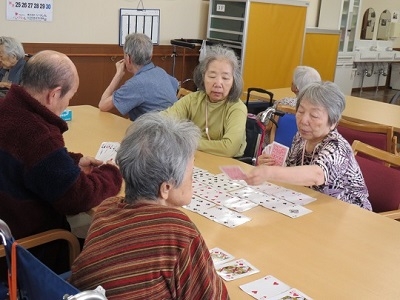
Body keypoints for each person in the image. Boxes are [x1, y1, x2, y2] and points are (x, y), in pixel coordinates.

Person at [70, 112, 229, 300]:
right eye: (191, 173)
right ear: (166, 188)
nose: (193, 180)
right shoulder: (178, 229)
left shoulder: (107, 208)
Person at [0, 50, 123, 277]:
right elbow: (77, 197)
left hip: (9, 229)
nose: (67, 104)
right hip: (31, 252)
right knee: (110, 253)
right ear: (54, 94)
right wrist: (112, 172)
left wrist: (72, 161)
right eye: (69, 97)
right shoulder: (38, 134)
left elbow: (33, 164)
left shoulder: (7, 108)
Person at [247, 81, 372, 210]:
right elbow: (291, 170)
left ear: (333, 122)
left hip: (349, 215)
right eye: (300, 111)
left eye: (314, 115)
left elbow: (316, 175)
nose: (303, 120)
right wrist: (269, 164)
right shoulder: (301, 137)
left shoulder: (337, 147)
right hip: (312, 205)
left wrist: (270, 172)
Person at [162, 45, 247, 158]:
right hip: (196, 157)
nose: (217, 83)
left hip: (229, 162)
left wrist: (188, 141)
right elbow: (163, 120)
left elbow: (229, 148)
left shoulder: (237, 108)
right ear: (203, 76)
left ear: (234, 81)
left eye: (225, 78)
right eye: (212, 76)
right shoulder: (193, 99)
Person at [98, 33, 179, 120]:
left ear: (128, 59)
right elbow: (176, 85)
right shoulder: (161, 72)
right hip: (172, 127)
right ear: (150, 56)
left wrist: (118, 75)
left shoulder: (136, 84)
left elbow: (102, 105)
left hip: (153, 131)